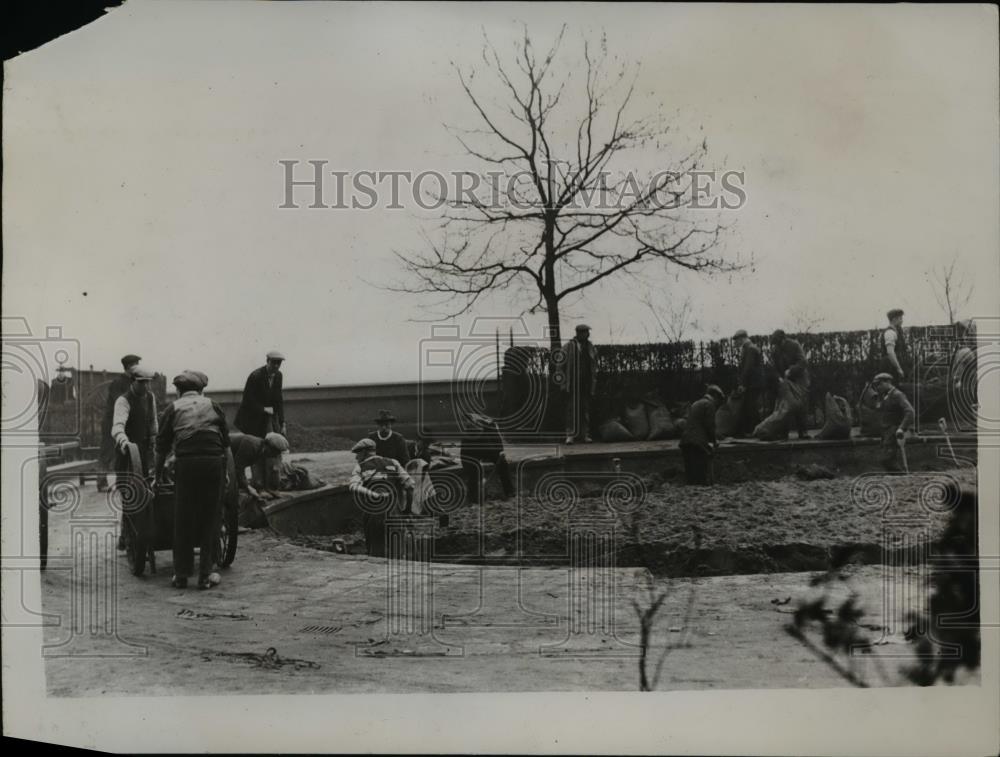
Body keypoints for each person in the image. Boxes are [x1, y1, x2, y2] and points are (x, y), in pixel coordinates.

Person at [155, 371, 230, 590]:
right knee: (210, 518)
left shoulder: (173, 408)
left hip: (186, 465)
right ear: (201, 390)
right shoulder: (214, 406)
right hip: (213, 463)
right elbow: (225, 445)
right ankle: (205, 576)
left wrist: (158, 475)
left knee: (183, 519)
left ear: (178, 391)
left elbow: (161, 448)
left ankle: (181, 575)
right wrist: (225, 472)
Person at [110, 367, 158, 549]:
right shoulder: (123, 401)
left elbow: (153, 423)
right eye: (141, 382)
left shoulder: (150, 397)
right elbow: (117, 427)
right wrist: (124, 442)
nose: (145, 386)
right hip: (126, 455)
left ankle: (142, 534)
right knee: (128, 496)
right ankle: (126, 536)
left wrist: (155, 440)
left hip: (143, 455)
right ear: (133, 382)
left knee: (145, 493)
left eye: (148, 382)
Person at [348, 438, 415, 556]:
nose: (356, 457)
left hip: (373, 512)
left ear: (365, 452)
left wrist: (373, 494)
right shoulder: (393, 462)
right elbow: (410, 486)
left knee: (376, 550)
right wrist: (407, 510)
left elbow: (353, 486)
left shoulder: (360, 467)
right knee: (397, 550)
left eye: (358, 453)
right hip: (394, 511)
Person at [234, 351, 285, 489]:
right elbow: (247, 401)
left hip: (267, 418)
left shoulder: (279, 376)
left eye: (278, 363)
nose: (276, 366)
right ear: (267, 361)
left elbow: (278, 400)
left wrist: (282, 422)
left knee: (268, 449)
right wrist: (263, 409)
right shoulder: (255, 376)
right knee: (256, 449)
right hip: (252, 419)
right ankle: (257, 482)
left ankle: (268, 481)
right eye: (273, 362)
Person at [98, 354, 142, 491]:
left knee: (122, 452)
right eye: (136, 364)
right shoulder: (118, 383)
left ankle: (121, 481)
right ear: (129, 366)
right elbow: (121, 402)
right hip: (112, 422)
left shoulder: (134, 380)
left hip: (125, 421)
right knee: (108, 451)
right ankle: (101, 482)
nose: (138, 366)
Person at [460, 411, 514, 504]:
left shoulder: (490, 427)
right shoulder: (467, 435)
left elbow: (497, 442)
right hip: (472, 452)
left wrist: (501, 452)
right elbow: (465, 455)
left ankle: (509, 492)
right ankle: (473, 499)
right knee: (473, 471)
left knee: (503, 464)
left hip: (488, 450)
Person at [558, 324, 598, 444]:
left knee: (585, 410)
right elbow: (560, 366)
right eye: (583, 332)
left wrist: (593, 384)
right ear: (578, 333)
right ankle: (570, 435)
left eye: (586, 332)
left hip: (586, 383)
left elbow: (594, 366)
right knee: (571, 410)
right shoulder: (568, 347)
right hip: (572, 383)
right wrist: (563, 383)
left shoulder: (591, 347)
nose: (586, 334)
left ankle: (584, 435)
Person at [680, 385, 724, 485]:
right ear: (715, 396)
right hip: (698, 444)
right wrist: (713, 441)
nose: (718, 403)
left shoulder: (696, 403)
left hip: (686, 442)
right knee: (700, 478)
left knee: (691, 479)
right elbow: (709, 426)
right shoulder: (709, 404)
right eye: (719, 399)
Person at [873, 372, 914, 472]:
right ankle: (898, 481)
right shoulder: (884, 396)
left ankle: (902, 478)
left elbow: (910, 412)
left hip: (893, 431)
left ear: (888, 382)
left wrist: (901, 428)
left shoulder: (897, 395)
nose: (878, 387)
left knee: (886, 459)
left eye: (880, 384)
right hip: (885, 432)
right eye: (876, 385)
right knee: (887, 460)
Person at [229, 431, 289, 498]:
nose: (275, 456)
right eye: (276, 453)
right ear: (270, 447)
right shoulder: (252, 446)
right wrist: (248, 487)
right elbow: (238, 468)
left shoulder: (260, 449)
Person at [733, 330, 764, 437]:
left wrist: (742, 384)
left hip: (752, 384)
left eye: (736, 340)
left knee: (751, 407)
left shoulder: (749, 349)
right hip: (754, 383)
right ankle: (755, 430)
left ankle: (756, 430)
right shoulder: (750, 348)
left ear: (741, 338)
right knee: (751, 406)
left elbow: (748, 368)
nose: (735, 343)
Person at [880, 309, 908, 383]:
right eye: (900, 318)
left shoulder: (896, 331)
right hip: (890, 367)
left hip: (893, 366)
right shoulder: (890, 332)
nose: (902, 321)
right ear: (894, 319)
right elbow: (890, 353)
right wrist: (898, 368)